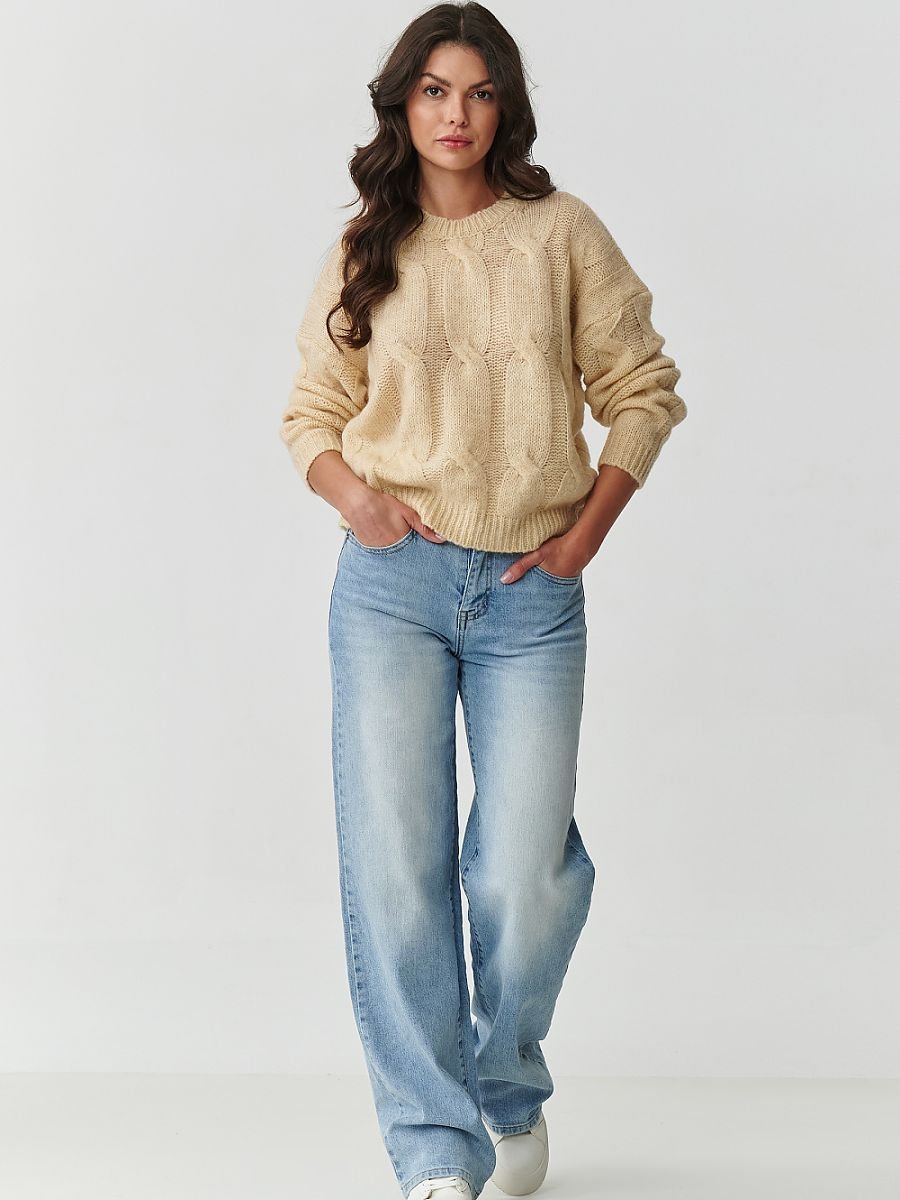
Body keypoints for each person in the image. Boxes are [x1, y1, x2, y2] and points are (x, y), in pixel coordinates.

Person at [280, 5, 687, 1198]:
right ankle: (432, 1146)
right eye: (433, 90)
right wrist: (360, 502)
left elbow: (644, 387)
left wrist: (583, 538)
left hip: (528, 598)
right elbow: (309, 412)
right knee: (395, 867)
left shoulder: (562, 233)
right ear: (401, 106)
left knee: (522, 869)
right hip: (391, 592)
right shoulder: (367, 244)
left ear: (506, 106)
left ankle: (506, 1085)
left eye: (478, 91)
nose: (455, 114)